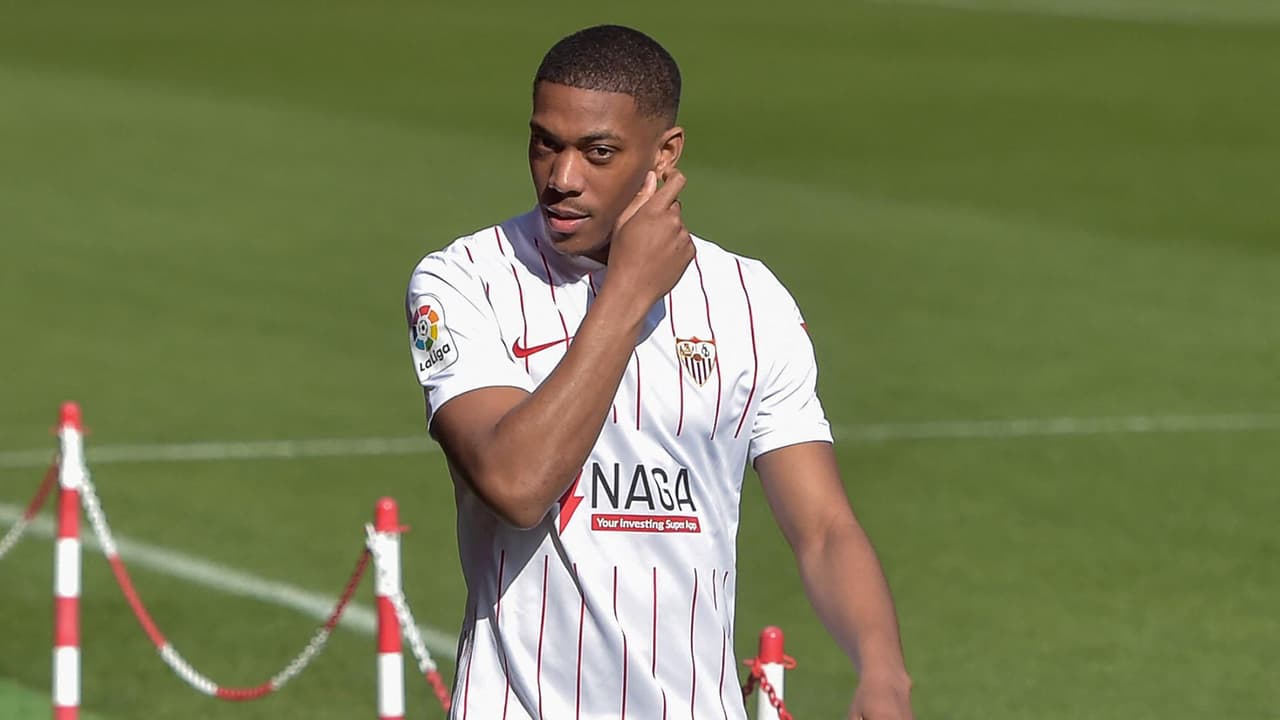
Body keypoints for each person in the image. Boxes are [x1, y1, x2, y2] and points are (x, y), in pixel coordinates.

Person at [405, 24, 914, 720]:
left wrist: (882, 671)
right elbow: (516, 485)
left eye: (598, 152)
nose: (562, 178)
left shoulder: (751, 300)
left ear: (665, 153)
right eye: (545, 143)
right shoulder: (463, 281)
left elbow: (824, 528)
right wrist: (628, 290)